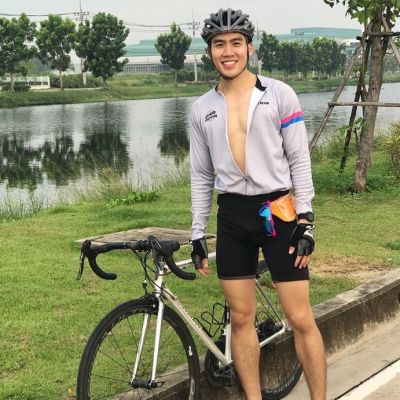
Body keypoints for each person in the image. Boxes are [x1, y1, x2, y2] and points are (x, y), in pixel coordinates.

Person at [189, 8, 327, 400]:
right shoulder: (201, 109)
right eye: (219, 44)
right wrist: (197, 232)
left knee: (300, 317)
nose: (228, 52)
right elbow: (201, 175)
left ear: (249, 47)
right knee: (241, 317)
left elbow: (299, 160)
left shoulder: (279, 94)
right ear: (210, 52)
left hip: (277, 212)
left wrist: (306, 220)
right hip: (233, 216)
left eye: (236, 43)